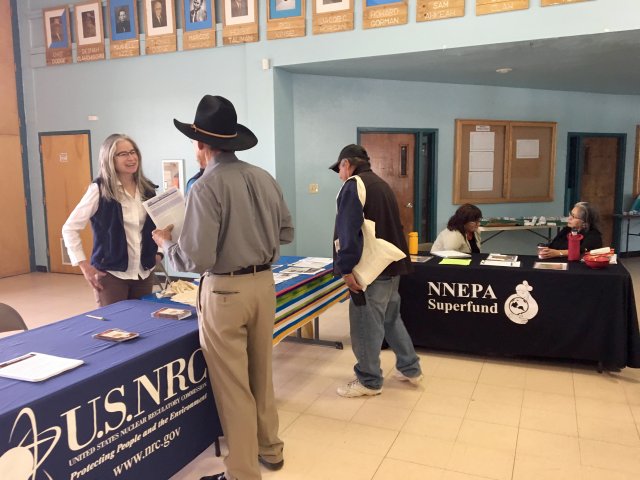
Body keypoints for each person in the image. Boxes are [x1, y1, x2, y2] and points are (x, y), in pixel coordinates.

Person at [152, 95, 293, 480]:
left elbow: (195, 259)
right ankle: (271, 449)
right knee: (262, 373)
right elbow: (287, 231)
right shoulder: (264, 177)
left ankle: (243, 472)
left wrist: (166, 243)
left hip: (225, 291)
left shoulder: (205, 186)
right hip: (265, 284)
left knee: (233, 387)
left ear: (200, 145)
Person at [329, 144, 422, 398]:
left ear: (347, 164)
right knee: (391, 318)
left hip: (370, 271)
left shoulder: (353, 185)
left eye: (339, 169)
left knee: (364, 324)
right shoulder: (381, 184)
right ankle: (410, 368)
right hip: (391, 266)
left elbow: (349, 230)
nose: (339, 175)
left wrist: (346, 269)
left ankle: (369, 380)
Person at [62, 134, 161, 307]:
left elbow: (162, 225)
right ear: (109, 158)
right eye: (122, 154)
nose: (131, 158)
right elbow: (69, 228)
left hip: (143, 273)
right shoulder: (99, 190)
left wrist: (159, 252)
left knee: (143, 327)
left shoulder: (148, 190)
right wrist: (84, 266)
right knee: (117, 329)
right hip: (111, 275)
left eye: (133, 152)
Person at [539, 201, 603, 258]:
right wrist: (545, 250)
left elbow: (582, 251)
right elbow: (554, 245)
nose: (569, 218)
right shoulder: (568, 229)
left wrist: (558, 253)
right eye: (570, 214)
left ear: (585, 222)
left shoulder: (594, 235)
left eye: (574, 217)